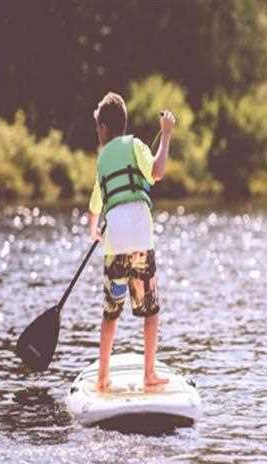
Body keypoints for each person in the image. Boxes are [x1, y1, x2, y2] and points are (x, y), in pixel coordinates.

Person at [88, 92, 175, 392]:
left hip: (114, 242)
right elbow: (157, 172)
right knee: (150, 310)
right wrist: (166, 135)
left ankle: (102, 377)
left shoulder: (101, 160)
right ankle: (149, 373)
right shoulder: (137, 145)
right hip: (139, 239)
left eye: (97, 128)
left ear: (103, 128)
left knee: (110, 313)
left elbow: (95, 205)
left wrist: (94, 231)